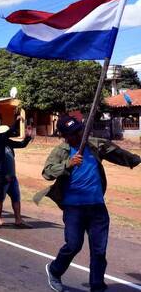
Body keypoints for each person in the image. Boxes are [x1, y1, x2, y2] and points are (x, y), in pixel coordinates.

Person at [43, 116, 140, 292]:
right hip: (73, 208)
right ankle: (55, 270)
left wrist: (134, 160)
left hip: (97, 207)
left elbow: (115, 152)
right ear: (65, 136)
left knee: (99, 251)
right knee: (73, 245)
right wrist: (69, 164)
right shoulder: (61, 151)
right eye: (73, 133)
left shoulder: (94, 145)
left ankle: (97, 286)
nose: (79, 135)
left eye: (80, 130)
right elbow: (47, 172)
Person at [0, 124, 33, 228]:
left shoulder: (8, 143)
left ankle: (18, 219)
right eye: (7, 133)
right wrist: (4, 174)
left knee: (16, 198)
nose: (9, 134)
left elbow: (22, 144)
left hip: (12, 177)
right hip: (2, 177)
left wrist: (28, 137)